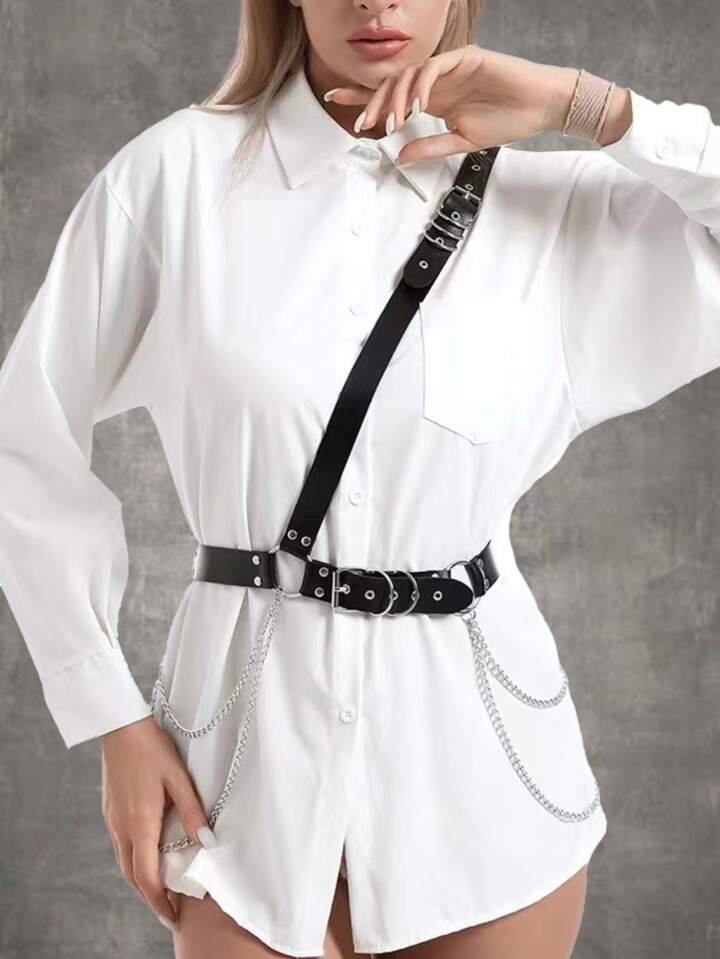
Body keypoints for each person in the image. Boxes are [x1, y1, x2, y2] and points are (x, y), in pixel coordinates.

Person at [1, 0, 718, 956]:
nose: (376, 0)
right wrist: (111, 715)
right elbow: (23, 440)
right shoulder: (174, 179)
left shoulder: (552, 210)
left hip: (485, 793)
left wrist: (581, 105)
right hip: (238, 782)